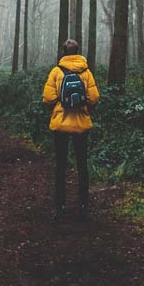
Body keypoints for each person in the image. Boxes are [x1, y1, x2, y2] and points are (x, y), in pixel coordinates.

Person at [42, 38, 100, 221]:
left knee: (60, 166)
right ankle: (83, 207)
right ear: (77, 52)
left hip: (60, 125)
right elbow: (94, 98)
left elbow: (47, 99)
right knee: (82, 166)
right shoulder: (86, 72)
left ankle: (60, 208)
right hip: (81, 125)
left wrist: (59, 104)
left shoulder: (56, 72)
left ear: (63, 53)